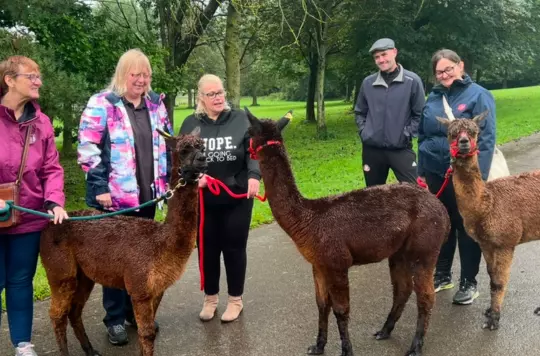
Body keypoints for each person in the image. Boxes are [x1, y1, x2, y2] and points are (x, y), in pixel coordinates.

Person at [77, 49, 171, 345]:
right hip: (115, 201)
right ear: (123, 75)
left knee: (143, 261)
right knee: (117, 262)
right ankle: (114, 319)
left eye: (146, 75)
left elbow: (166, 146)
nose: (141, 80)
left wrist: (167, 184)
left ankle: (136, 313)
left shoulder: (156, 106)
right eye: (136, 74)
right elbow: (88, 148)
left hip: (148, 197)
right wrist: (99, 186)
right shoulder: (102, 104)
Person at [0, 55, 68, 356]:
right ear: (10, 80)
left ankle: (23, 344)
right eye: (32, 76)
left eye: (40, 76)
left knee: (20, 281)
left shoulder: (41, 123)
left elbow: (51, 168)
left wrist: (54, 201)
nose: (38, 81)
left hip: (28, 219)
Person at [180, 74, 260, 323]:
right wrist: (194, 177)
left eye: (220, 92)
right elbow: (183, 158)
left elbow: (253, 150)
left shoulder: (240, 119)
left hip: (237, 194)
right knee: (208, 248)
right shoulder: (190, 123)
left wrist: (254, 176)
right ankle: (210, 298)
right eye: (211, 94)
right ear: (201, 97)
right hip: (205, 198)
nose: (218, 97)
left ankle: (235, 299)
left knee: (235, 246)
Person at [417, 48, 496, 305]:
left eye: (448, 69)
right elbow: (423, 134)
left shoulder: (479, 95)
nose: (444, 75)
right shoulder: (433, 97)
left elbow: (485, 138)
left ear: (460, 66)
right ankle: (442, 275)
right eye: (439, 72)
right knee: (443, 223)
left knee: (466, 226)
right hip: (434, 170)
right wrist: (421, 171)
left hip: (463, 175)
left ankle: (469, 281)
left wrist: (478, 177)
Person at [354, 38, 425, 187]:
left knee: (414, 193)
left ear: (394, 52)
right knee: (373, 196)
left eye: (384, 55)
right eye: (377, 57)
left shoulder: (412, 81)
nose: (381, 60)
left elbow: (419, 114)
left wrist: (406, 135)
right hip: (372, 151)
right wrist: (365, 132)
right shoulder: (368, 83)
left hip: (400, 149)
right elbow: (360, 112)